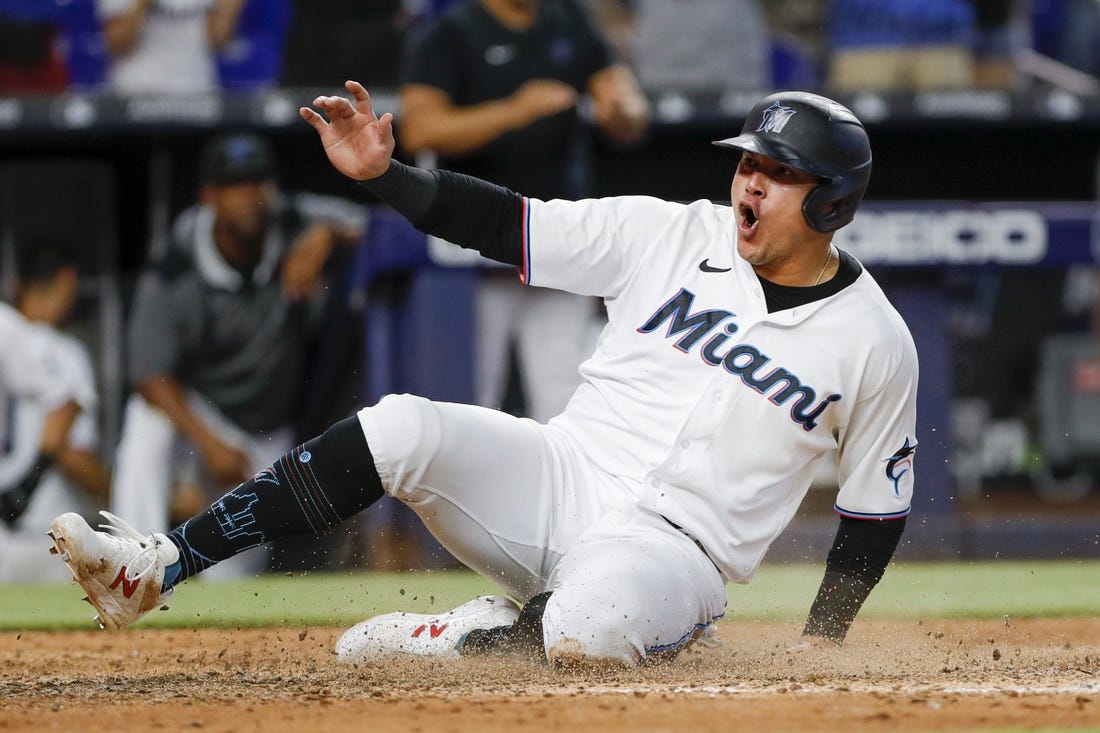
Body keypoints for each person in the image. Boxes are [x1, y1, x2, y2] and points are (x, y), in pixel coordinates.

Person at [48, 82, 917, 669]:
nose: (751, 185)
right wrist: (386, 177)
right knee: (401, 425)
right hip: (560, 475)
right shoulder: (672, 233)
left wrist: (823, 643)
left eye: (781, 174)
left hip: (676, 551)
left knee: (589, 628)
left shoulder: (875, 340)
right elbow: (511, 225)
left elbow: (873, 512)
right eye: (748, 163)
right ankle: (153, 567)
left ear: (835, 201)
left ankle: (475, 631)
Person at [107, 131, 364, 579]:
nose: (248, 197)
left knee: (233, 579)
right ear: (210, 195)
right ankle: (132, 569)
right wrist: (209, 446)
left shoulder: (295, 219)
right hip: (199, 417)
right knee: (146, 423)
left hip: (266, 432)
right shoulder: (178, 263)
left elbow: (383, 223)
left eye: (256, 183)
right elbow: (149, 375)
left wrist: (328, 235)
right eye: (233, 185)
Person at [398, 0, 649, 423]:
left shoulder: (568, 20)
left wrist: (621, 108)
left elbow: (631, 111)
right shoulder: (449, 32)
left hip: (558, 238)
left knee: (565, 396)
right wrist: (514, 111)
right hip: (475, 246)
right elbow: (419, 129)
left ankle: (562, 491)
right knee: (469, 395)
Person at [0, 238, 110, 583]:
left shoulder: (7, 328)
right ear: (67, 281)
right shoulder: (63, 352)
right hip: (46, 531)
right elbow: (73, 455)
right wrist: (121, 497)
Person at [96, 0, 246, 94]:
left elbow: (218, 40)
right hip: (135, 91)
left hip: (196, 89)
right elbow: (117, 44)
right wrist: (142, 3)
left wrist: (228, 9)